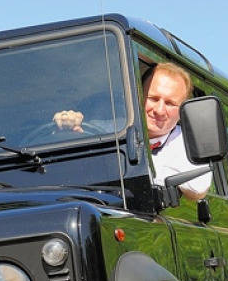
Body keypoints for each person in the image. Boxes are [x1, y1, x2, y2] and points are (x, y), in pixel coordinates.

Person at [52, 61, 212, 200]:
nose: (160, 110)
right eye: (153, 99)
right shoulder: (109, 128)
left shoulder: (189, 144)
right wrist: (66, 126)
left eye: (170, 103)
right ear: (138, 98)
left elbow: (198, 188)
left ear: (182, 112)